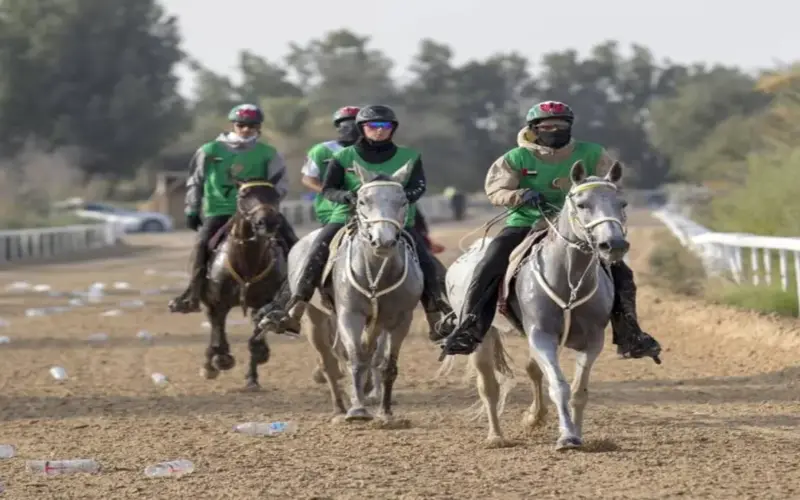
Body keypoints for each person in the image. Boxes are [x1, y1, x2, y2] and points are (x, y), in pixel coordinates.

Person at [439, 100, 662, 359]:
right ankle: (469, 327)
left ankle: (630, 334)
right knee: (489, 263)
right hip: (525, 223)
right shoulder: (515, 158)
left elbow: (610, 184)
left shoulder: (592, 153)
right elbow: (495, 190)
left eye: (561, 125)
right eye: (548, 126)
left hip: (579, 229)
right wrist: (519, 195)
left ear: (570, 126)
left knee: (622, 273)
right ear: (534, 129)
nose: (555, 130)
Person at [274, 104, 455, 339]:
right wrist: (347, 196)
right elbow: (329, 189)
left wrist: (401, 197)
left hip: (395, 220)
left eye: (384, 126)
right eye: (373, 126)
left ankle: (436, 314)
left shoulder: (410, 157)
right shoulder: (342, 157)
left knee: (426, 259)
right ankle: (295, 309)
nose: (379, 130)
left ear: (392, 129)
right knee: (315, 251)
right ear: (362, 128)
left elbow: (418, 186)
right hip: (346, 217)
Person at [168, 103, 300, 314]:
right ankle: (192, 294)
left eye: (252, 125)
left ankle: (294, 293)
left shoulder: (268, 153)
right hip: (220, 210)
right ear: (233, 125)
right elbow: (196, 180)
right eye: (241, 125)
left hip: (258, 212)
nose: (246, 129)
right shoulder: (209, 150)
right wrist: (191, 208)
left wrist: (268, 203)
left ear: (259, 127)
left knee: (292, 242)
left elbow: (281, 183)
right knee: (202, 244)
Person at [301, 106, 361, 224]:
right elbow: (308, 179)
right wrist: (334, 193)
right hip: (332, 212)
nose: (352, 128)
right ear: (338, 127)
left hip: (371, 210)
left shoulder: (373, 151)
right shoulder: (321, 150)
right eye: (346, 124)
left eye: (357, 124)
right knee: (319, 242)